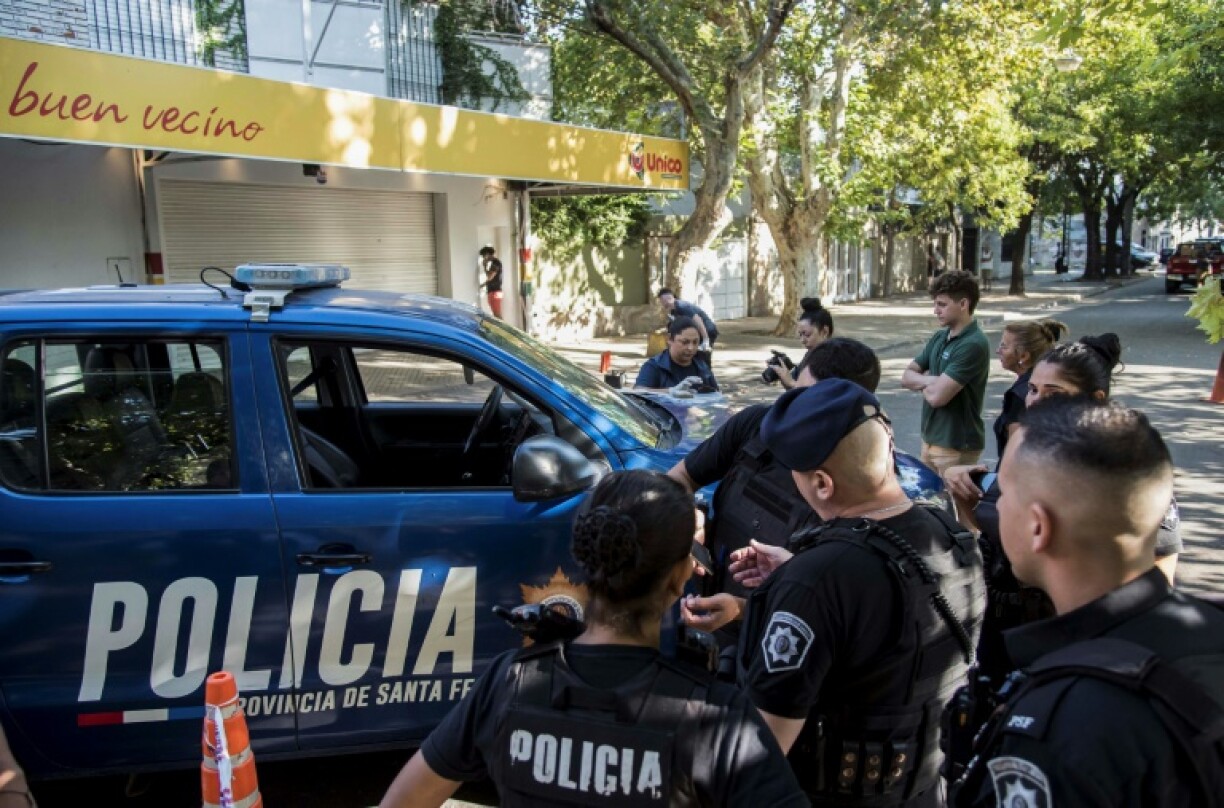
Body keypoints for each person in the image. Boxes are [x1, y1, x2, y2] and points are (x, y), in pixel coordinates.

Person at [378, 470, 808, 808]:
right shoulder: (717, 717)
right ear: (680, 579)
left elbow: (404, 800)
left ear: (585, 560)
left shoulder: (507, 683)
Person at [948, 398, 1224, 807]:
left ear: (1038, 527)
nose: (995, 502)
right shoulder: (1207, 629)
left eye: (1003, 491)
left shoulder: (1059, 729)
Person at [735, 379, 985, 807]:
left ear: (822, 484)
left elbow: (761, 753)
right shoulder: (955, 537)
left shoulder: (816, 583)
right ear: (888, 450)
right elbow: (892, 639)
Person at [670, 339, 882, 640]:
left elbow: (839, 607)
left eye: (813, 406)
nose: (796, 411)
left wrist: (745, 610)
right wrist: (686, 515)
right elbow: (677, 479)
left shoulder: (862, 478)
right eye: (798, 392)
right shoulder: (755, 424)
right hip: (714, 613)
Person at [942, 318, 1067, 528]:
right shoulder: (1028, 387)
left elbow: (1016, 455)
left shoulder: (1021, 395)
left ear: (1023, 356)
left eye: (1004, 345)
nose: (998, 350)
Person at [901, 270, 991, 476]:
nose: (935, 311)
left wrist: (923, 383)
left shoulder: (973, 343)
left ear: (963, 304)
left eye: (942, 305)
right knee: (932, 504)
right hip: (930, 438)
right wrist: (933, 380)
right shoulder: (940, 337)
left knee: (954, 506)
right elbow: (906, 377)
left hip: (956, 444)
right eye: (935, 304)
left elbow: (937, 398)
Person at [634, 316, 719, 392]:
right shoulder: (654, 366)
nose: (691, 348)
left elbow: (716, 395)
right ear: (669, 339)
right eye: (685, 342)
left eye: (695, 342)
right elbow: (639, 392)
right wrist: (671, 391)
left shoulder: (702, 367)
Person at [775, 298, 834, 390]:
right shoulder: (810, 355)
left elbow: (822, 393)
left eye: (807, 335)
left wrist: (791, 382)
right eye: (800, 335)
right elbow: (794, 390)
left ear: (824, 332)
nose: (802, 340)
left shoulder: (835, 359)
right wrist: (783, 376)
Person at [657, 288, 718, 365]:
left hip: (707, 330)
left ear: (667, 299)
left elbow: (697, 319)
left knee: (703, 356)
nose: (662, 304)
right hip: (698, 333)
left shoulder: (681, 306)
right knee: (696, 355)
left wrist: (706, 339)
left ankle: (706, 375)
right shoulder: (674, 311)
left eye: (662, 301)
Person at [478, 245, 504, 319]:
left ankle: (502, 330)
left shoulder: (496, 263)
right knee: (496, 315)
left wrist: (482, 285)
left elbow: (490, 277)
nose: (483, 258)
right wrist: (485, 266)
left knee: (497, 316)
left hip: (495, 292)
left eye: (483, 256)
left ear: (487, 254)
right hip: (493, 292)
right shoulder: (493, 263)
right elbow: (489, 275)